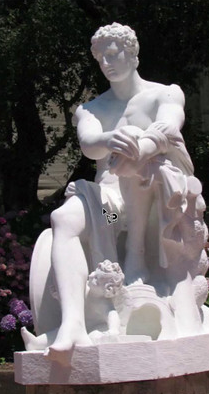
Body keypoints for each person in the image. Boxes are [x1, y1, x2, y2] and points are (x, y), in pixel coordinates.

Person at [38, 23, 197, 360]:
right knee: (64, 217)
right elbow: (89, 144)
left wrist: (140, 147)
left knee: (136, 161)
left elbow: (170, 126)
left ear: (133, 53)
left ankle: (136, 257)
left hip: (152, 202)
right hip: (110, 210)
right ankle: (72, 323)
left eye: (113, 55)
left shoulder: (165, 94)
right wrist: (110, 139)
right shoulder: (91, 109)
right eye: (100, 59)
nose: (106, 64)